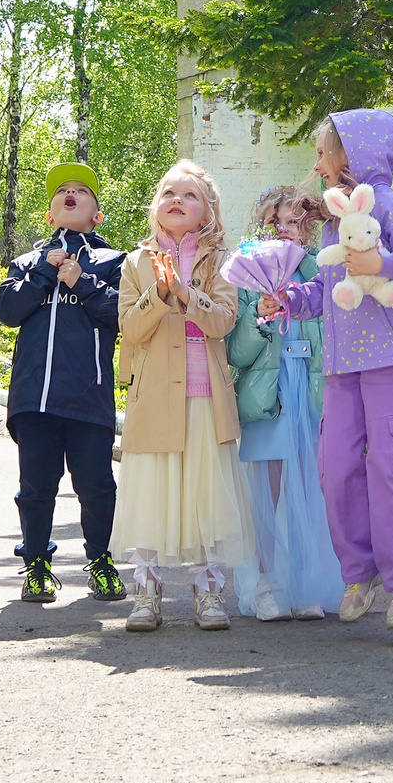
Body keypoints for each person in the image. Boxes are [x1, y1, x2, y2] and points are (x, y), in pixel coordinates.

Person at [283, 111, 393, 630]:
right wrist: (286, 300)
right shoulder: (336, 221)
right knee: (336, 465)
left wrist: (384, 265)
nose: (319, 164)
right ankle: (360, 571)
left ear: (352, 155)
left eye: (325, 153)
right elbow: (328, 292)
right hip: (342, 366)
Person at [115, 161, 248, 631]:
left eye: (189, 195)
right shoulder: (134, 262)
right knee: (152, 494)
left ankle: (207, 592)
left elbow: (223, 322)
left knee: (204, 498)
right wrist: (159, 290)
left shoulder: (221, 262)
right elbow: (129, 326)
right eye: (169, 192)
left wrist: (186, 293)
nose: (176, 200)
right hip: (153, 398)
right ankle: (146, 593)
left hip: (206, 398)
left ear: (207, 211)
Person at [0, 162, 125, 605]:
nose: (70, 194)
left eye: (81, 191)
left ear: (97, 215)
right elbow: (8, 310)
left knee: (97, 486)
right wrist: (47, 273)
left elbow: (121, 314)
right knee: (35, 486)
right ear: (49, 215)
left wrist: (81, 281)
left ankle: (101, 562)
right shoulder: (27, 262)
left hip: (89, 395)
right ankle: (35, 566)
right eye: (61, 191)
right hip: (34, 400)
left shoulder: (114, 262)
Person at [223, 185, 345, 620]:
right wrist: (259, 316)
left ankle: (305, 581)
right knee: (268, 490)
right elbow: (236, 354)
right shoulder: (245, 273)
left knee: (310, 486)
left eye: (295, 222)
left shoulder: (320, 270)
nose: (287, 231)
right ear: (263, 226)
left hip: (310, 390)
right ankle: (265, 584)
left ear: (310, 227)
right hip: (268, 394)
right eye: (277, 222)